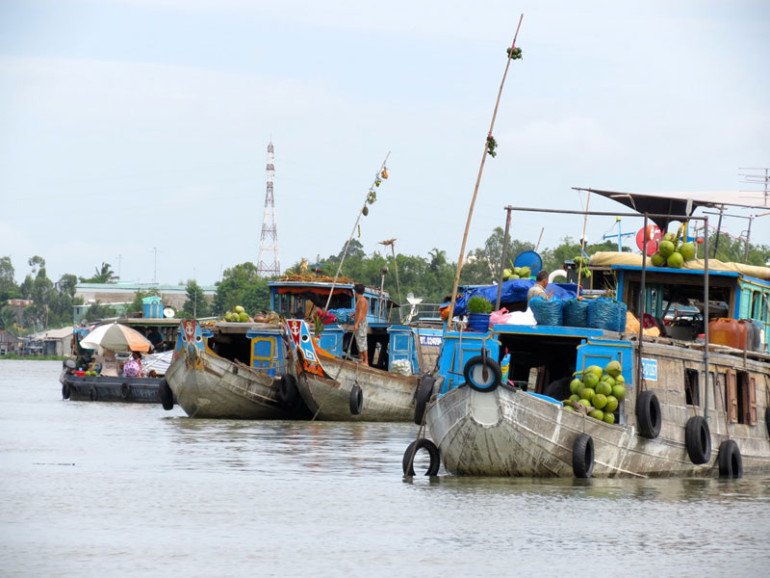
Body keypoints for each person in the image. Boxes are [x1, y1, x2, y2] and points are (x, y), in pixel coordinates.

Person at [352, 283, 369, 365]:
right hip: (359, 322)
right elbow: (358, 312)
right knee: (359, 342)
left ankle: (366, 361)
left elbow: (361, 313)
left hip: (361, 323)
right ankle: (361, 359)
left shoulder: (362, 300)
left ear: (356, 292)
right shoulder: (359, 300)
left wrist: (356, 324)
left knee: (362, 341)